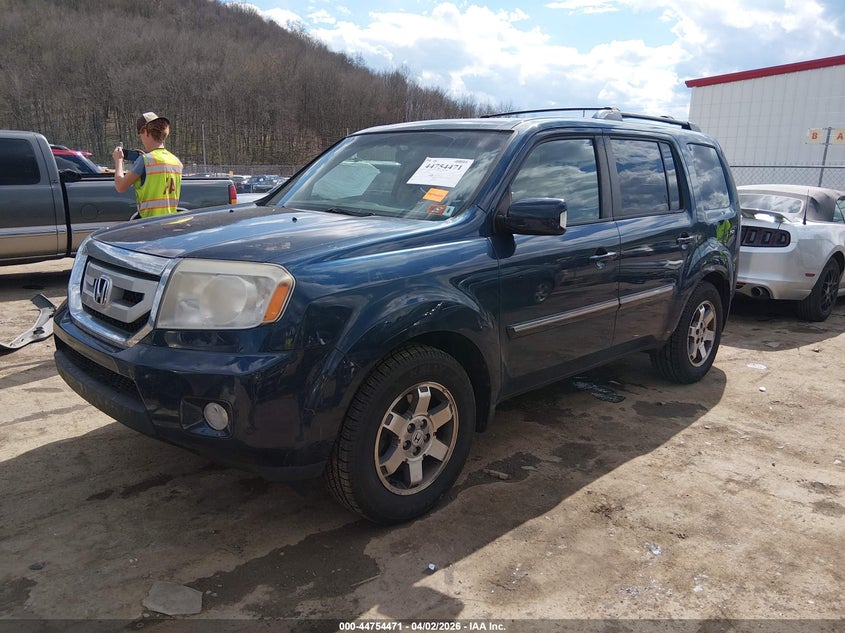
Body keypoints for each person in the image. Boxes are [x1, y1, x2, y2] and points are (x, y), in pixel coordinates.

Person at [112, 112, 183, 217]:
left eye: (140, 135)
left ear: (146, 132)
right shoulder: (176, 161)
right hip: (170, 222)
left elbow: (120, 186)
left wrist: (118, 161)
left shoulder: (145, 161)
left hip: (150, 223)